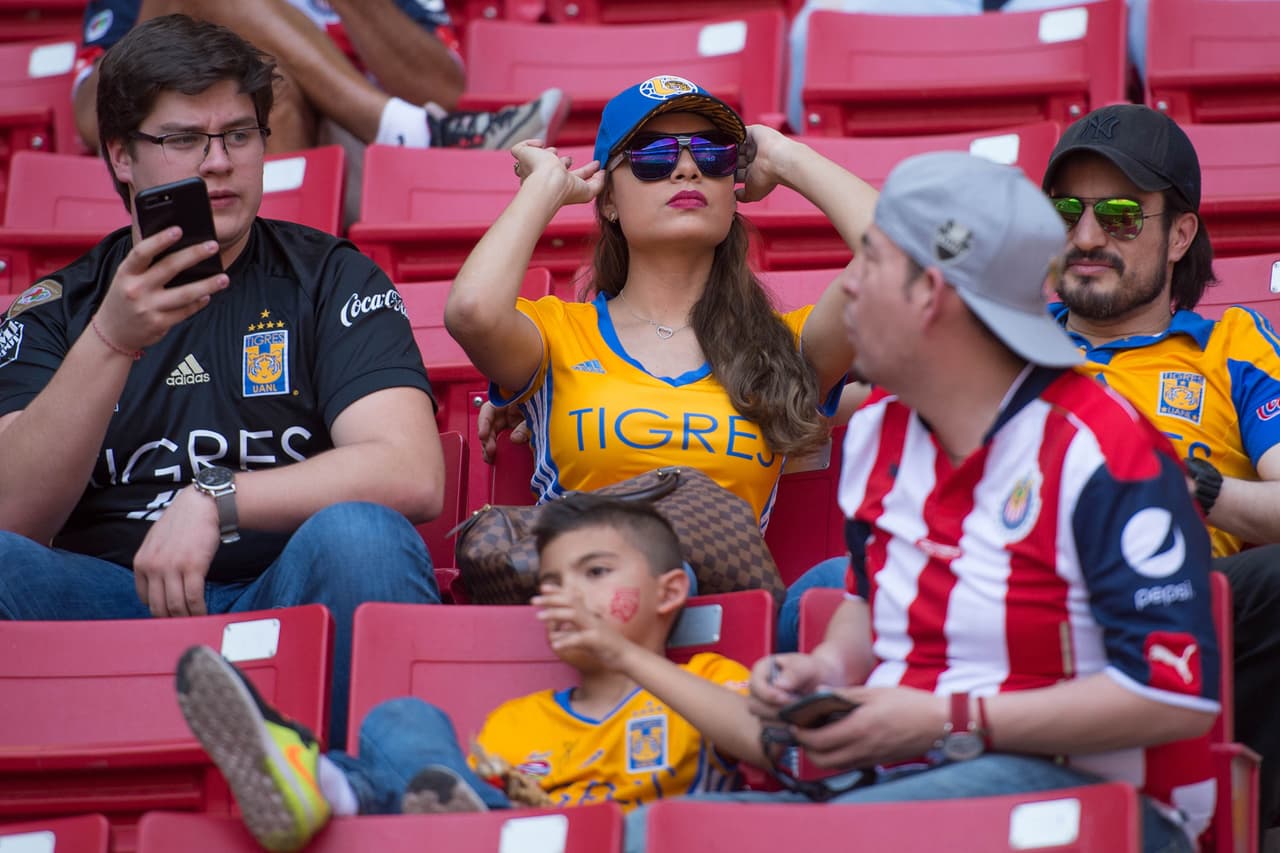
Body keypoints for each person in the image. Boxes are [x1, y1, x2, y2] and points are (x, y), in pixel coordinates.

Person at [624, 151, 1221, 853]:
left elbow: (1172, 698)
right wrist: (829, 668)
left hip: (1090, 801)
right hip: (908, 776)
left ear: (929, 294)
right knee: (648, 834)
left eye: (867, 264)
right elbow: (868, 603)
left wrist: (946, 717)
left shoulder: (1104, 449)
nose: (845, 292)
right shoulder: (878, 432)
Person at [0, 14, 444, 751]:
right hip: (105, 605)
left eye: (239, 135)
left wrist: (217, 498)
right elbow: (13, 515)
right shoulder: (58, 309)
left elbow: (411, 470)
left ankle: (352, 787)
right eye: (183, 140)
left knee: (362, 535)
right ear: (121, 156)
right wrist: (112, 339)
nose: (218, 162)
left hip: (284, 593)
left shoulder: (331, 277)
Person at [173, 494, 780, 852]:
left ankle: (324, 777)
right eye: (551, 583)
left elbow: (763, 741)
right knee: (400, 720)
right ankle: (319, 785)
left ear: (670, 592)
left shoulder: (703, 680)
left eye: (595, 574)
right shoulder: (516, 724)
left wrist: (625, 656)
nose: (563, 596)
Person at [445, 74, 868, 536]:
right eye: (653, 155)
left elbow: (905, 260)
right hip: (586, 593)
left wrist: (787, 157)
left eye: (713, 154)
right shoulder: (555, 333)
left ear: (733, 193)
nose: (687, 169)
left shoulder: (784, 347)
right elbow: (471, 311)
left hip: (721, 605)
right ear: (608, 201)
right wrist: (543, 188)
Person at [1041, 102, 1280, 844]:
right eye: (1068, 212)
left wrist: (1194, 486)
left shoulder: (1231, 347)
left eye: (1119, 215)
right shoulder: (998, 342)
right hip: (1022, 594)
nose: (1086, 237)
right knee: (825, 588)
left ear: (1180, 233)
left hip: (1185, 605)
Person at [73, 0, 567, 153]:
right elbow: (95, 121)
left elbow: (444, 89)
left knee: (273, 85)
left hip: (359, 156)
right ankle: (413, 133)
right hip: (187, 157)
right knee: (267, 85)